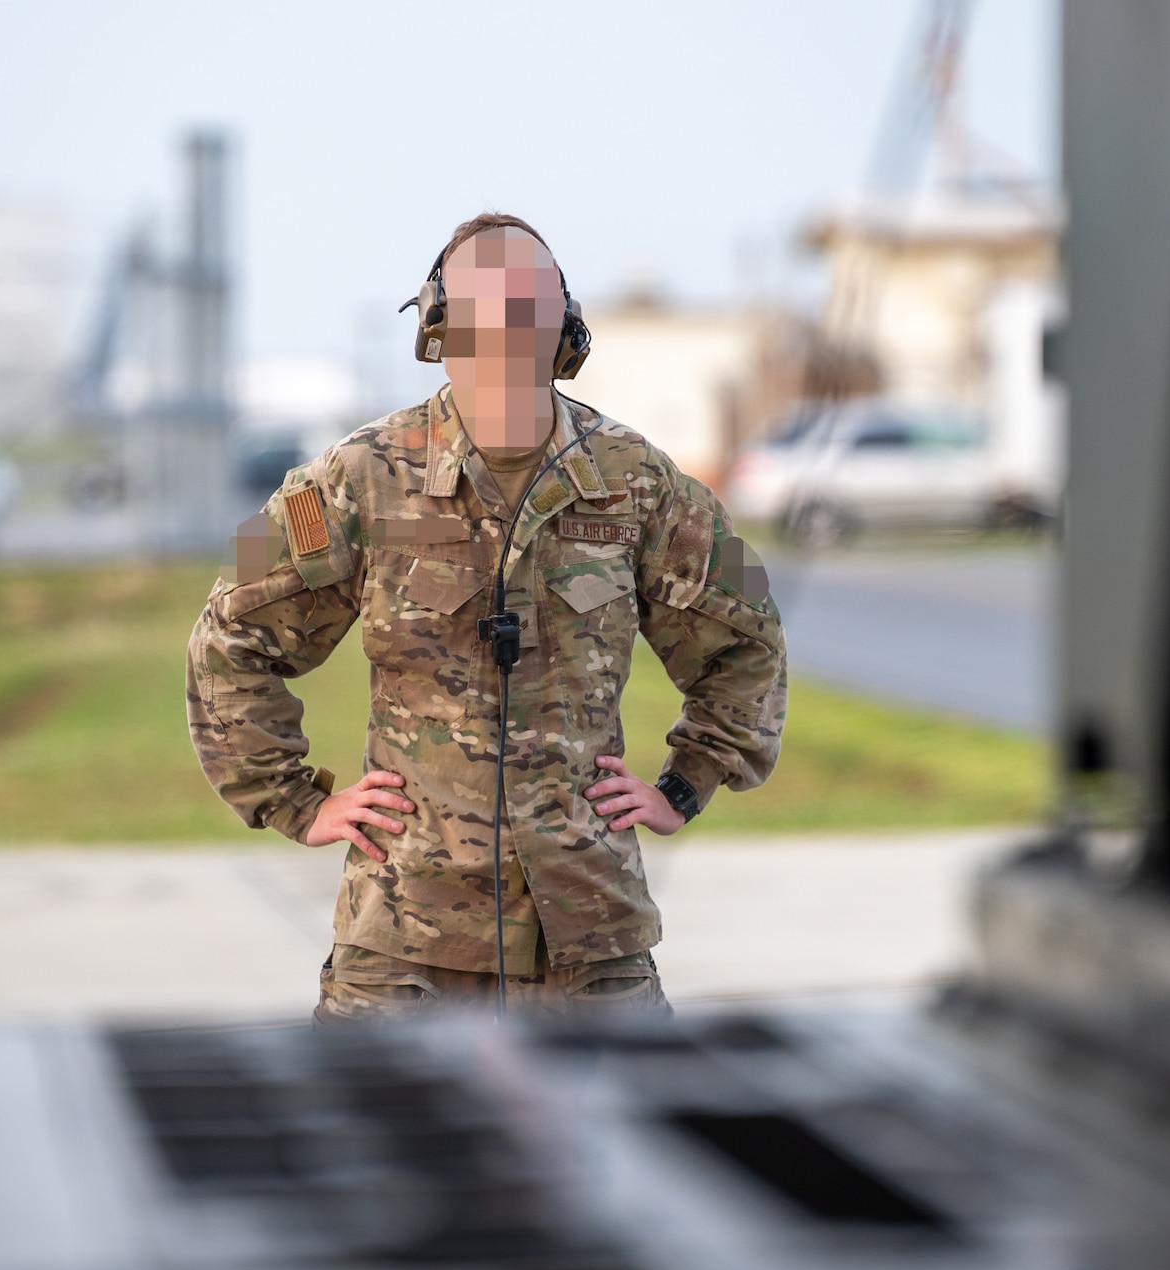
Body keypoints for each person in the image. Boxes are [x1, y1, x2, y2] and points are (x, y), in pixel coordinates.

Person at [186, 213, 787, 1023]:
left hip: (589, 941)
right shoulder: (356, 478)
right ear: (441, 325)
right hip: (405, 947)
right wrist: (292, 801)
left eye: (529, 305)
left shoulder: (637, 480)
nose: (509, 328)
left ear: (564, 326)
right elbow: (231, 633)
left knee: (625, 1143)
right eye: (487, 307)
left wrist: (686, 783)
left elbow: (748, 632)